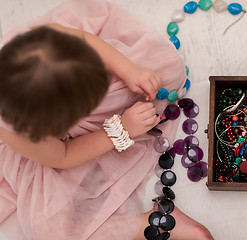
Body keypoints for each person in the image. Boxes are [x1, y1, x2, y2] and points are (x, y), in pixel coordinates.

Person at [0, 0, 214, 239]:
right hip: (64, 149)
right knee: (49, 229)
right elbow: (64, 154)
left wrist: (128, 70)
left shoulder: (41, 45)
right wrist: (121, 129)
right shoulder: (16, 130)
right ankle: (156, 221)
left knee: (168, 68)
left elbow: (85, 41)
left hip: (92, 92)